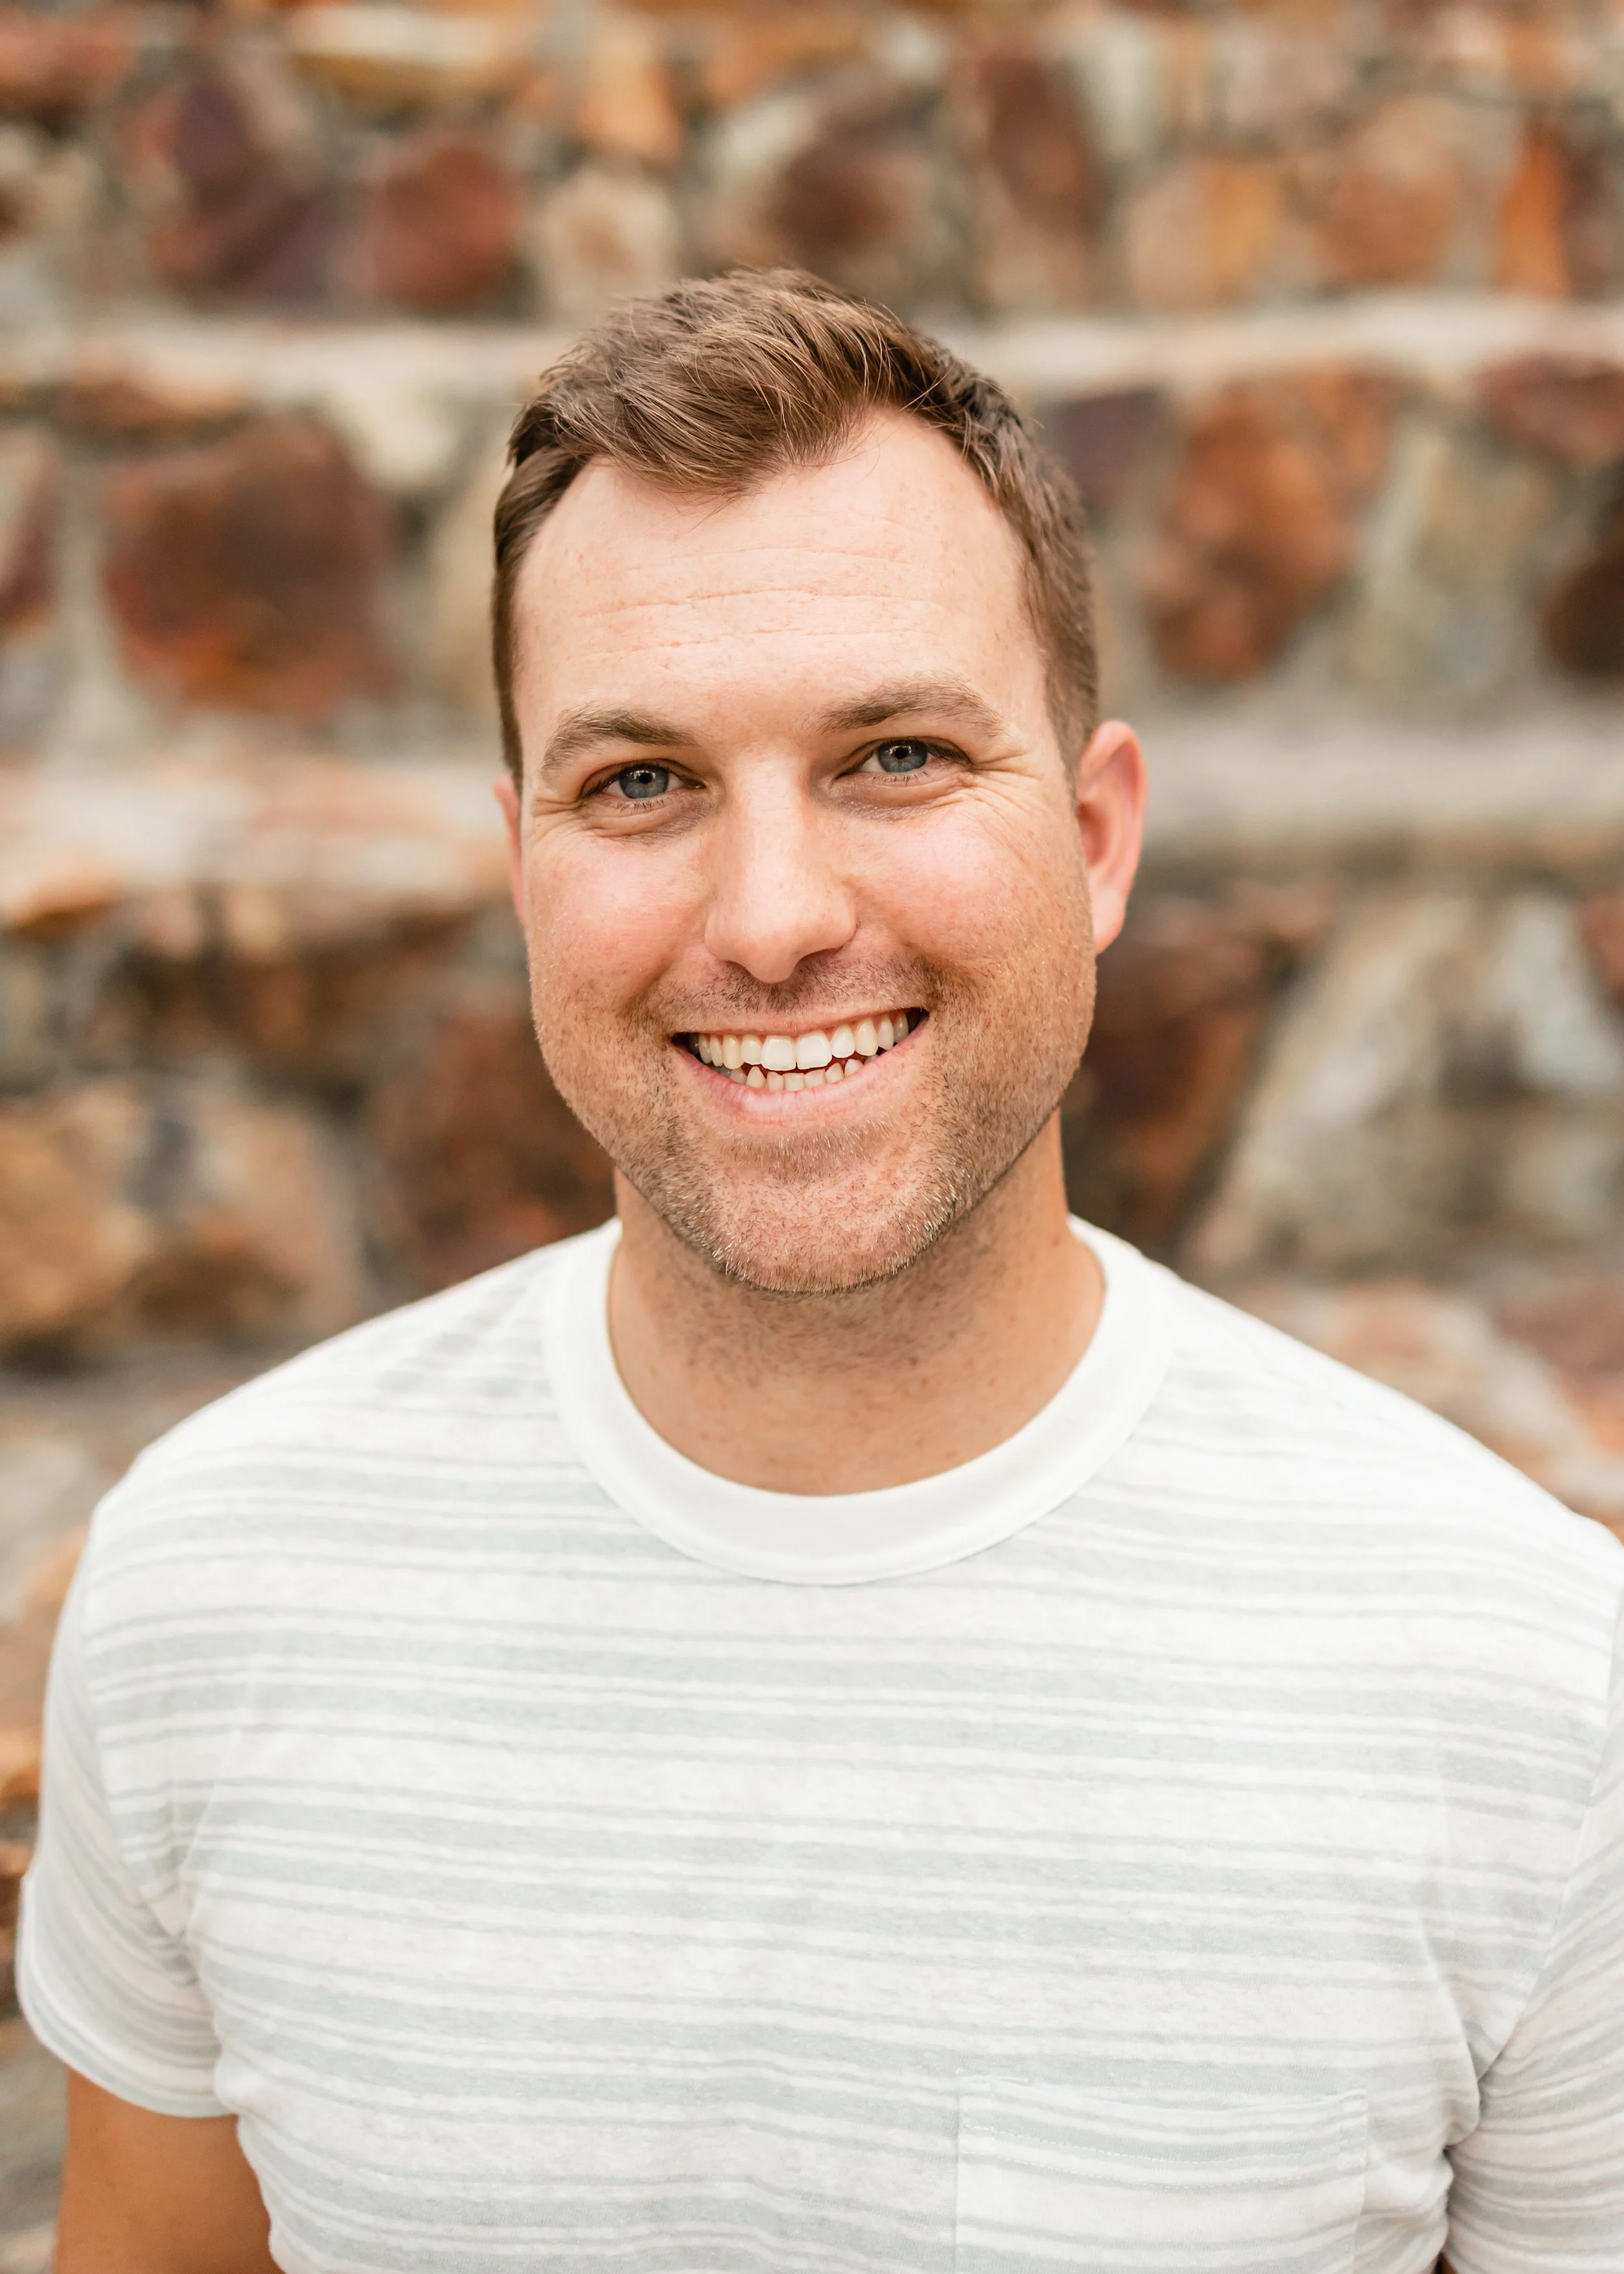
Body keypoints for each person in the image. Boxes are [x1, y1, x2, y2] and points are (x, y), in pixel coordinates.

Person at [20, 270, 1623, 2274]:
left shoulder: (1531, 1690)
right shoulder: (209, 1582)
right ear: (522, 864)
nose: (771, 917)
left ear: (1101, 837)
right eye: (640, 784)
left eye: (891, 756)